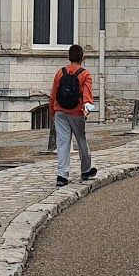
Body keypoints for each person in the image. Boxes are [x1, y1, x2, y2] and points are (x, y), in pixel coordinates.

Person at [50, 44, 97, 187]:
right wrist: (87, 108)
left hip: (60, 111)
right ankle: (86, 170)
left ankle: (62, 176)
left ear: (68, 57)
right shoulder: (85, 74)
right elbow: (87, 95)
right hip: (76, 112)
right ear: (83, 57)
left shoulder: (60, 72)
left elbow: (53, 94)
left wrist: (52, 111)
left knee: (63, 143)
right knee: (81, 140)